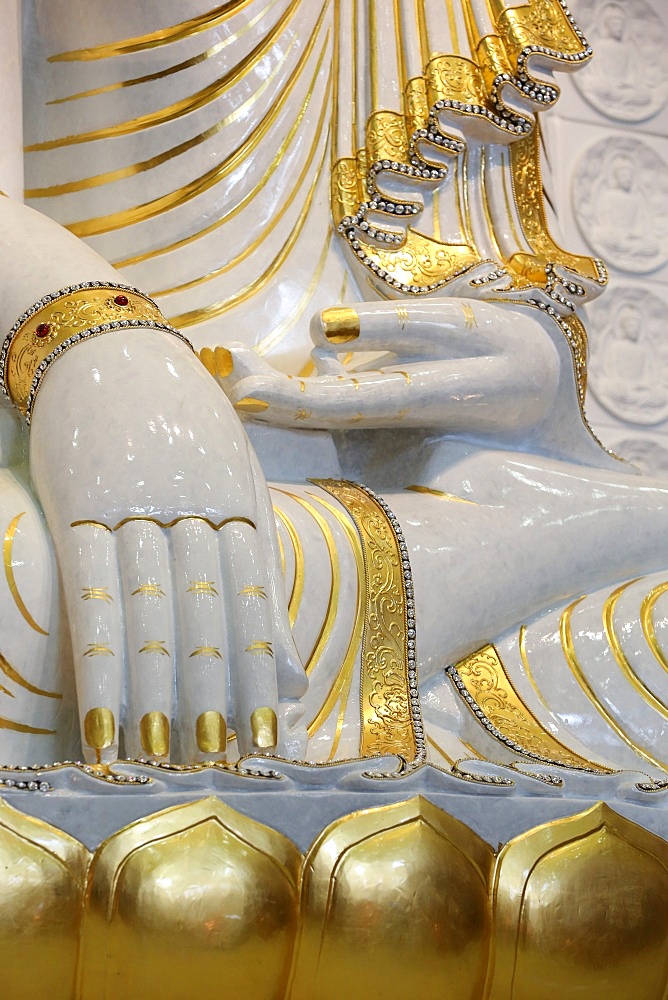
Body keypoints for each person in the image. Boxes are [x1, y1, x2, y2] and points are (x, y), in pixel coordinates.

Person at [1, 1, 666, 780]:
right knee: (40, 583)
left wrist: (533, 368)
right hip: (71, 462)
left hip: (408, 501)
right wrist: (97, 345)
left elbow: (466, 262)